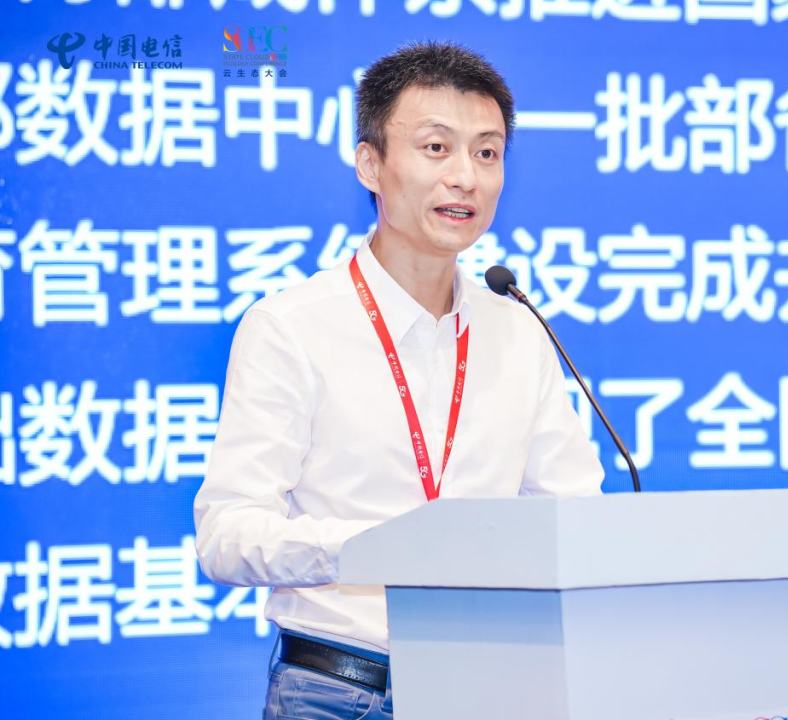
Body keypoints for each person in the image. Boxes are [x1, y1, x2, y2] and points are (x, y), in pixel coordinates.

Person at [193, 41, 604, 720]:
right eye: (436, 148)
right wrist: (377, 545)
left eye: (487, 153)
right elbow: (227, 536)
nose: (465, 178)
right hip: (338, 689)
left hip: (494, 686)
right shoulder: (291, 326)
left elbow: (576, 515)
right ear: (370, 164)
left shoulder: (518, 330)